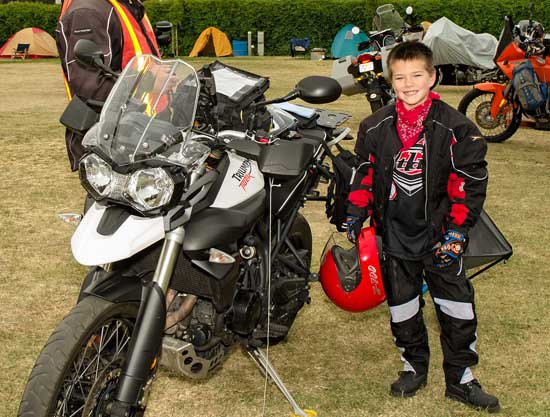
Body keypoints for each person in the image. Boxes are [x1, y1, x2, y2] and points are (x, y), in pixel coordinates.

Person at [345, 41, 500, 413]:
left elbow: (468, 185)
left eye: (417, 75)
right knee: (402, 306)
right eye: (400, 77)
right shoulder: (374, 126)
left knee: (456, 306)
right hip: (395, 235)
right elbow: (364, 176)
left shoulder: (458, 128)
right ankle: (413, 367)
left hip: (441, 235)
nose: (408, 83)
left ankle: (461, 378)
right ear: (390, 81)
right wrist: (355, 212)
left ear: (433, 77)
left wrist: (457, 233)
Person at [56, 0, 160, 171]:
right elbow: (92, 86)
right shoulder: (86, 11)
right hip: (113, 139)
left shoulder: (125, 5)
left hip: (139, 130)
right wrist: (149, 86)